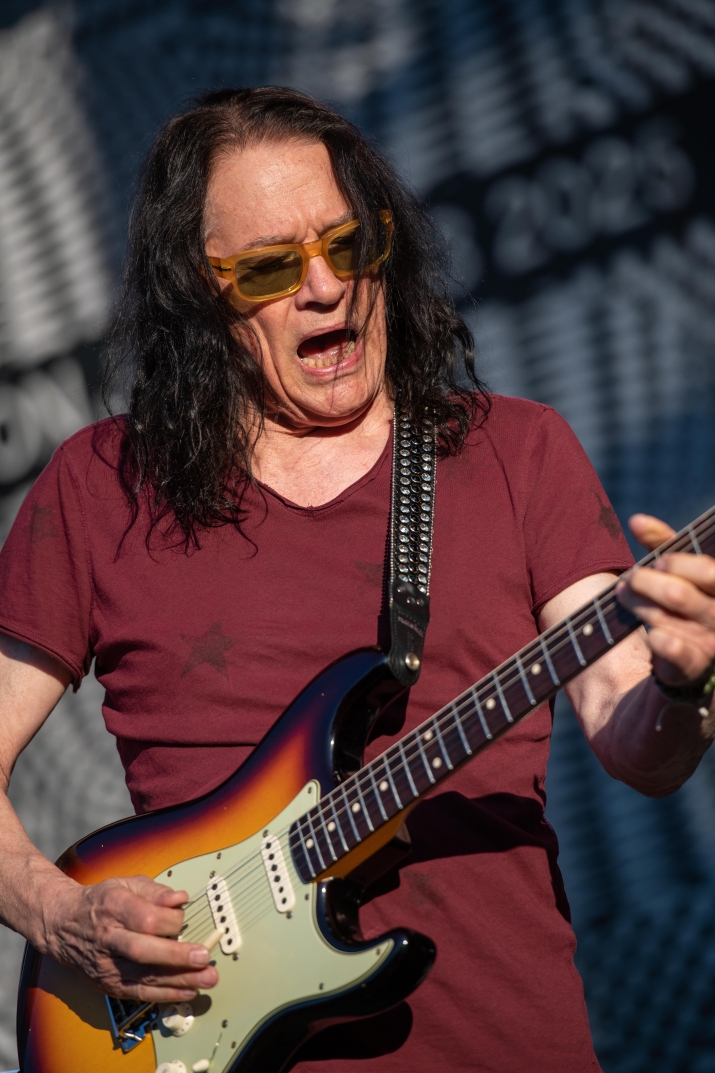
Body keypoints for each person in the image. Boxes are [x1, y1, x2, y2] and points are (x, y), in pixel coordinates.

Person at [0, 87, 714, 1073]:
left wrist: (683, 684)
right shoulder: (100, 484)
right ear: (199, 294)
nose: (326, 286)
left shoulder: (515, 451)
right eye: (269, 266)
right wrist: (61, 914)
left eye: (350, 243)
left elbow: (636, 742)